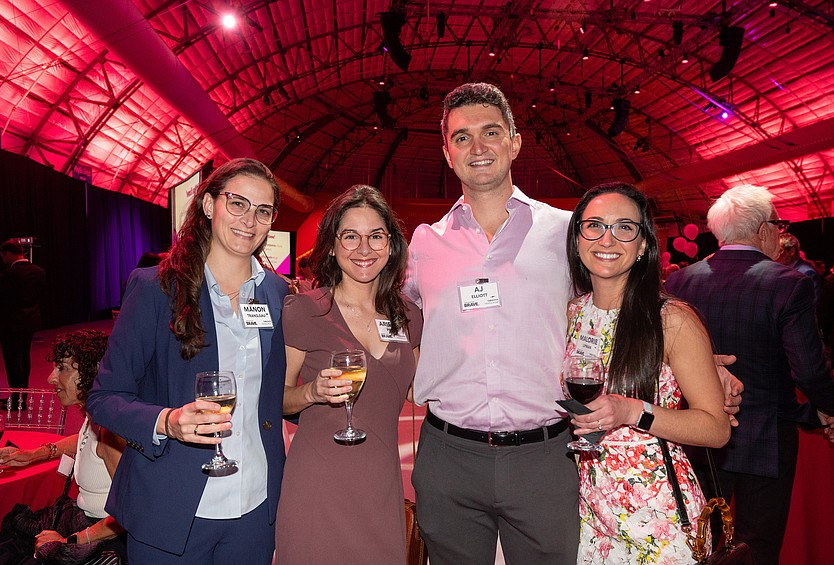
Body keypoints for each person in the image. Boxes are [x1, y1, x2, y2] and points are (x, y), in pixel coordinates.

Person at [404, 82, 742, 565]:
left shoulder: (567, 231)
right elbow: (392, 321)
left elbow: (622, 302)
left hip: (546, 456)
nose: (477, 148)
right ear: (447, 152)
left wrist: (695, 364)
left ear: (515, 142)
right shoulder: (423, 244)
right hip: (449, 455)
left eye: (491, 132)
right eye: (461, 138)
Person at [86, 158, 289, 564]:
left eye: (263, 211)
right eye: (238, 204)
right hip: (171, 504)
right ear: (210, 205)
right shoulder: (156, 288)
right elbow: (104, 397)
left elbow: (280, 394)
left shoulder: (278, 294)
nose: (250, 220)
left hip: (254, 507)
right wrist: (166, 422)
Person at [665, 184, 834, 565]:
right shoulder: (788, 282)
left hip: (699, 436)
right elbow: (808, 368)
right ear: (763, 229)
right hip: (767, 437)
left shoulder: (680, 281)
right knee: (757, 547)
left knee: (700, 542)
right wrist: (828, 408)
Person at [564, 183, 730, 562]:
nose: (608, 238)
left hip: (658, 517)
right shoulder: (574, 312)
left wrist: (634, 411)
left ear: (643, 245)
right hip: (593, 516)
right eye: (594, 226)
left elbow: (717, 429)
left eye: (625, 227)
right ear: (577, 239)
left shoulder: (671, 319)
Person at [276, 185, 422, 564]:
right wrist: (312, 392)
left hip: (380, 484)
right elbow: (277, 397)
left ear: (391, 245)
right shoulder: (305, 310)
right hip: (317, 483)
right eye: (351, 236)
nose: (364, 248)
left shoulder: (409, 315)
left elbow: (417, 390)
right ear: (333, 244)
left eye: (376, 236)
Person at [0, 330, 127, 565]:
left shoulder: (110, 431)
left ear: (92, 371)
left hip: (101, 540)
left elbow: (129, 513)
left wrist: (71, 541)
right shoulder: (94, 415)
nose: (51, 378)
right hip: (84, 522)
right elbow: (83, 441)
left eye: (62, 368)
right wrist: (35, 454)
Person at [0, 239, 47, 401]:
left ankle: (16, 398)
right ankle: (23, 395)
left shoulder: (9, 274)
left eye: (3, 257)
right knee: (24, 357)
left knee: (12, 361)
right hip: (30, 321)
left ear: (9, 254)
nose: (3, 260)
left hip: (11, 323)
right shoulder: (39, 272)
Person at [776, 232, 821, 309]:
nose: (776, 254)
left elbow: (810, 305)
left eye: (780, 250)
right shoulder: (782, 269)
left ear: (792, 251)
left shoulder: (806, 272)